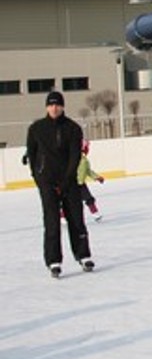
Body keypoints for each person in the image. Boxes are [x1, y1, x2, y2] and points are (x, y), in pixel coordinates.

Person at [26, 90, 93, 278]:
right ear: (46, 107)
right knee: (52, 222)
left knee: (76, 220)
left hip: (69, 182)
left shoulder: (72, 128)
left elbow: (75, 157)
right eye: (51, 104)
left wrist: (66, 180)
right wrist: (38, 178)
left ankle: (83, 255)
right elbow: (32, 154)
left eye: (57, 104)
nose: (54, 108)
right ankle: (53, 260)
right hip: (47, 182)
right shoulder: (36, 129)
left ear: (63, 106)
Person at [77, 139, 105, 222]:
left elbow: (88, 171)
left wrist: (97, 177)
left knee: (89, 198)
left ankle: (95, 213)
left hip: (81, 184)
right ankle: (63, 216)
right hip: (72, 184)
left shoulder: (84, 160)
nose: (87, 149)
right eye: (86, 147)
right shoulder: (73, 158)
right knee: (69, 201)